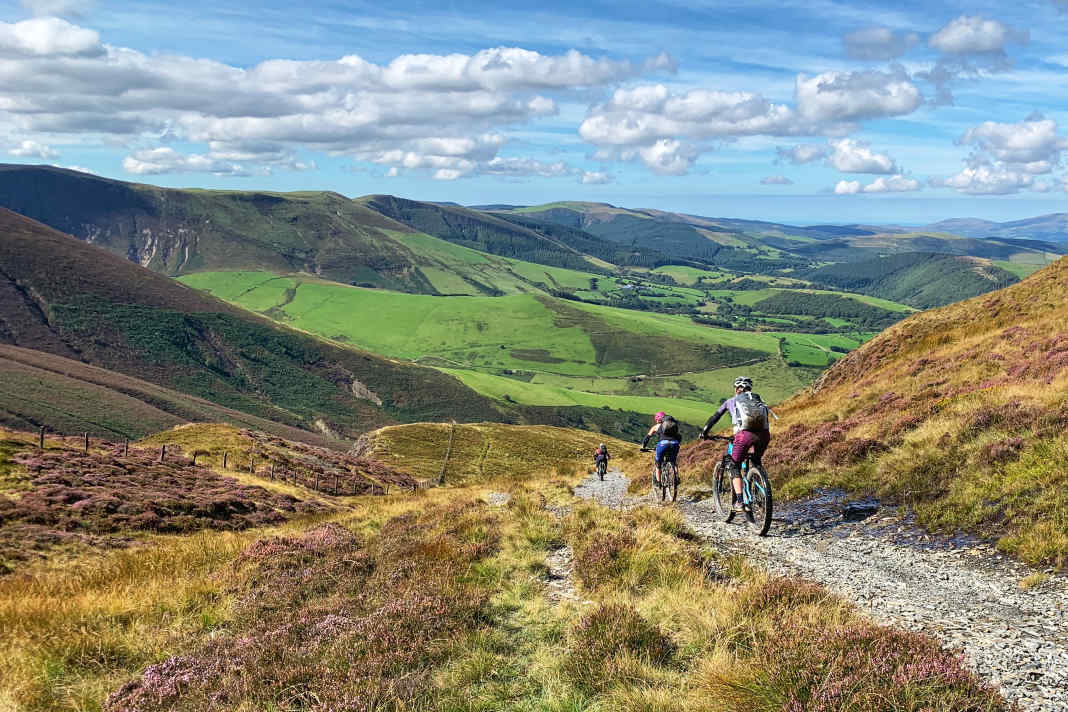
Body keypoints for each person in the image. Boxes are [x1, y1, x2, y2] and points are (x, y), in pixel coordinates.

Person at [700, 376, 771, 512]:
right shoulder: (758, 399)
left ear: (736, 389)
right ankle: (760, 491)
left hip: (744, 436)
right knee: (756, 461)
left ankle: (739, 502)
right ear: (750, 389)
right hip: (764, 435)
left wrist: (704, 432)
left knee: (734, 465)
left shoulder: (730, 401)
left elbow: (715, 417)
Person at [641, 411, 681, 486]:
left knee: (658, 463)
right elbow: (679, 436)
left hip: (662, 444)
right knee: (673, 462)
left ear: (658, 420)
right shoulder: (672, 425)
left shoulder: (656, 427)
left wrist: (643, 447)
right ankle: (676, 478)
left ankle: (659, 482)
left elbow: (647, 438)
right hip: (675, 444)